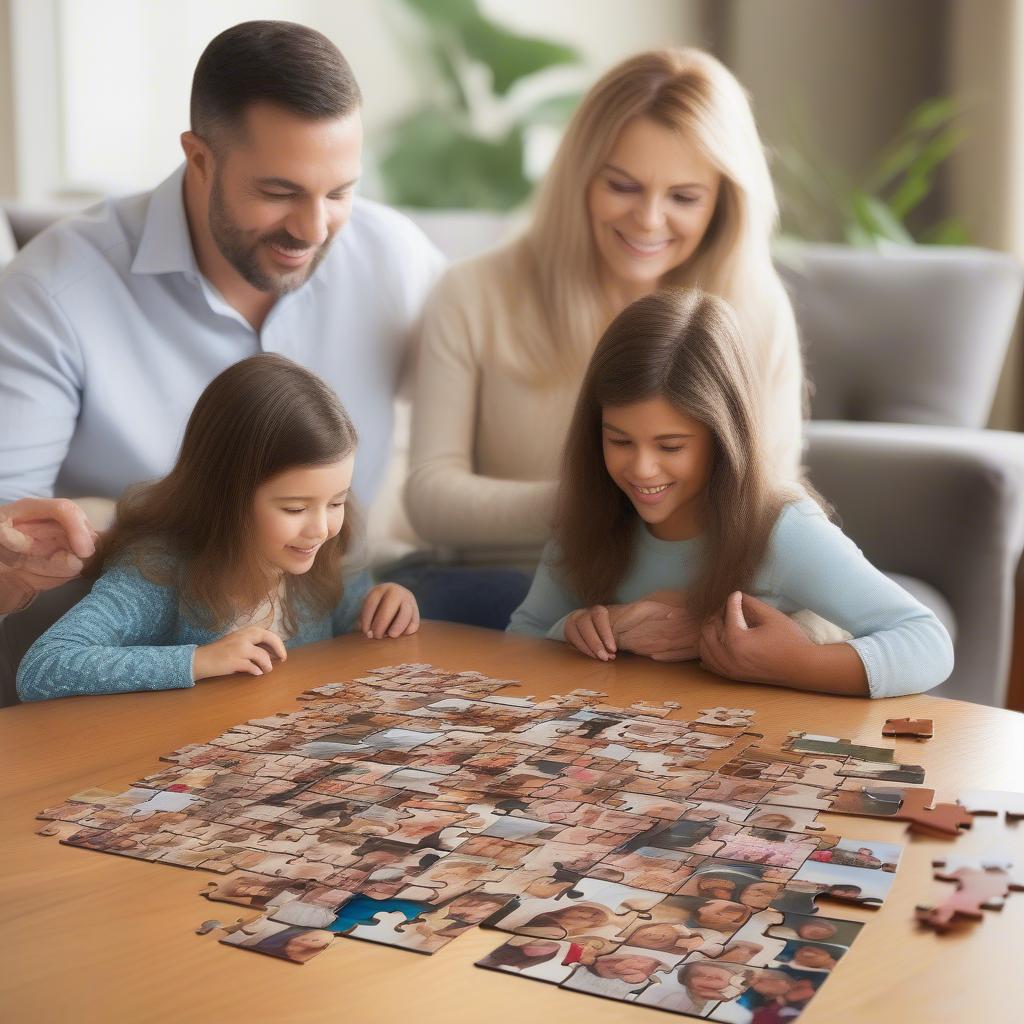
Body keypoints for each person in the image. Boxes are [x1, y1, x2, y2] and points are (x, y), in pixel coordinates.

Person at [0, 20, 444, 698]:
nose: (314, 228)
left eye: (339, 192)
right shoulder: (53, 292)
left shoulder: (397, 262)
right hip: (121, 696)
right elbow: (8, 530)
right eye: (278, 192)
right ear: (198, 158)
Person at [401, 47, 805, 631]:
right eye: (622, 186)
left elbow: (768, 495)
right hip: (502, 592)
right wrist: (598, 500)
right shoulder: (472, 292)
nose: (648, 220)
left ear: (723, 203)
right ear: (579, 177)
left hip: (681, 598)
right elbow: (430, 497)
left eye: (684, 198)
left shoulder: (756, 308)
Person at [507, 289, 954, 698]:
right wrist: (572, 628)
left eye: (671, 446)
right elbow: (517, 640)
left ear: (723, 439)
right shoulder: (592, 517)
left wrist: (795, 663)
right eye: (619, 441)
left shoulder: (779, 530)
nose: (641, 468)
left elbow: (927, 641)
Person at [16, 355, 419, 701]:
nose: (320, 528)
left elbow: (356, 624)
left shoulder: (326, 550)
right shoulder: (160, 569)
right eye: (295, 508)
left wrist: (387, 602)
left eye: (336, 502)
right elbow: (45, 666)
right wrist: (198, 660)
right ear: (226, 497)